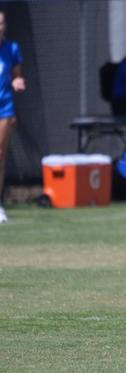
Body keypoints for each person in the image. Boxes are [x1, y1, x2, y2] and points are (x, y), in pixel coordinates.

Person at [0, 10, 24, 224]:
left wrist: (17, 82)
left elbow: (16, 76)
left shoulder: (12, 49)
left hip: (4, 106)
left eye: (1, 23)